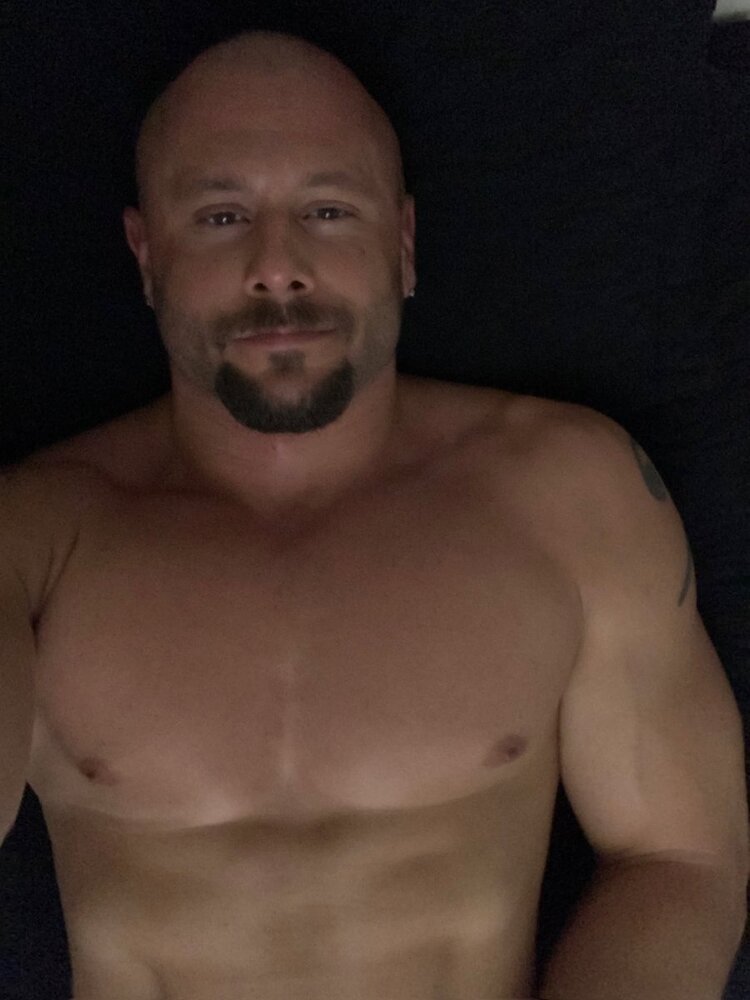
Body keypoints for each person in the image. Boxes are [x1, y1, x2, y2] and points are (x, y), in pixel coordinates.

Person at [0, 29, 747, 1000]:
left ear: (402, 243)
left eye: (328, 210)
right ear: (148, 256)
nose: (278, 266)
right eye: (222, 216)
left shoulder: (568, 490)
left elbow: (680, 857)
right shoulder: (35, 536)